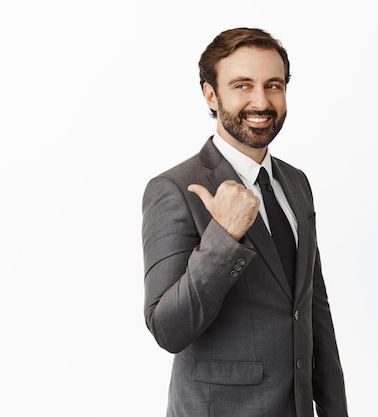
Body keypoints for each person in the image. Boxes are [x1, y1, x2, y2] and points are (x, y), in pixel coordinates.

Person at [141, 27, 348, 417]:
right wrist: (223, 237)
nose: (261, 101)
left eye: (273, 85)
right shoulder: (174, 189)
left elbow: (314, 308)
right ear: (211, 95)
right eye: (242, 85)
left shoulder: (296, 182)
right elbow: (167, 329)